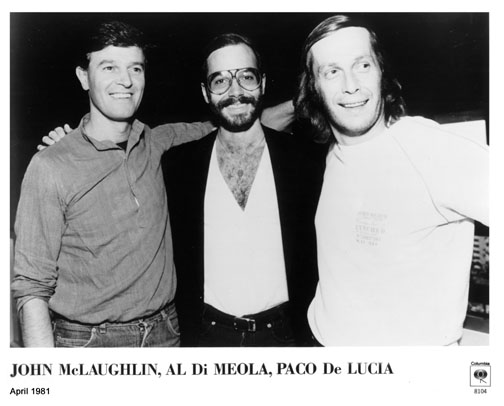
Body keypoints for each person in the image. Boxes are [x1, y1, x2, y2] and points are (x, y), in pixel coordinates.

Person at [11, 21, 214, 347]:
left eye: (135, 68)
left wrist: (295, 105)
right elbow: (31, 287)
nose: (126, 80)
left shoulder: (156, 141)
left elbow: (235, 126)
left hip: (166, 333)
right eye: (109, 67)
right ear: (83, 77)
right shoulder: (51, 166)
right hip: (88, 342)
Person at [294, 14, 489, 345]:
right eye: (332, 72)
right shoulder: (334, 150)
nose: (351, 85)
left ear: (381, 71)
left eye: (362, 65)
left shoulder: (427, 148)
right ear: (313, 87)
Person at [163, 33, 325, 346]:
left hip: (287, 337)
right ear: (205, 92)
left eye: (246, 77)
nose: (235, 91)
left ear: (262, 83)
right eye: (220, 81)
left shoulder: (307, 162)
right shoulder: (178, 166)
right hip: (206, 338)